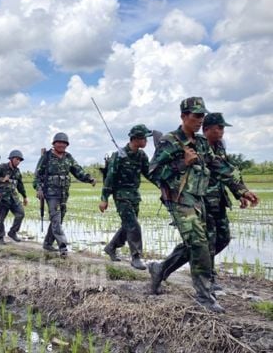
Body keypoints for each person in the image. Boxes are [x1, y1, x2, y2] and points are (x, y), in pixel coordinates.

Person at [148, 97, 259, 313]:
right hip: (179, 200)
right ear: (183, 116)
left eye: (202, 116)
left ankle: (160, 270)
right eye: (196, 115)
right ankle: (204, 297)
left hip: (198, 200)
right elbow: (153, 173)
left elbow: (220, 166)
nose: (200, 120)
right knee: (199, 244)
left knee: (205, 244)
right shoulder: (170, 141)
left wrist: (241, 190)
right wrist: (183, 163)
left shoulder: (200, 143)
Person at [100, 124, 155, 270]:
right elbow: (110, 178)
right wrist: (104, 198)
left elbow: (148, 173)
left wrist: (163, 185)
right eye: (144, 138)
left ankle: (111, 247)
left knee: (128, 225)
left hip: (134, 195)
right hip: (121, 195)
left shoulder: (141, 155)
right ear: (136, 139)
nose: (146, 141)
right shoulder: (119, 155)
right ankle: (136, 257)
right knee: (133, 225)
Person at [33, 132, 96, 256]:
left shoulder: (68, 157)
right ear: (54, 144)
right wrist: (38, 188)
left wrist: (89, 179)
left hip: (63, 193)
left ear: (67, 145)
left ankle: (47, 243)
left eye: (64, 143)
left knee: (59, 219)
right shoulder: (46, 157)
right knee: (55, 218)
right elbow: (37, 175)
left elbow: (78, 171)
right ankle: (63, 247)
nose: (61, 145)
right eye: (59, 142)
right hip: (50, 193)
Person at [202, 113, 246, 290]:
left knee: (224, 237)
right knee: (209, 241)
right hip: (202, 201)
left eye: (223, 128)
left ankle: (200, 264)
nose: (222, 131)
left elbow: (228, 171)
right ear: (207, 129)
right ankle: (208, 278)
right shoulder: (199, 146)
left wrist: (240, 193)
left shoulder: (220, 147)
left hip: (219, 200)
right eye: (219, 128)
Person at [0, 150, 28, 244]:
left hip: (14, 197)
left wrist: (24, 196)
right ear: (11, 159)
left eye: (19, 160)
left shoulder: (17, 171)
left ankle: (12, 232)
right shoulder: (2, 167)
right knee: (0, 219)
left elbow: (20, 185)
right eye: (16, 159)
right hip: (2, 197)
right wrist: (2, 179)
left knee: (20, 214)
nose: (18, 161)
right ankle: (0, 238)